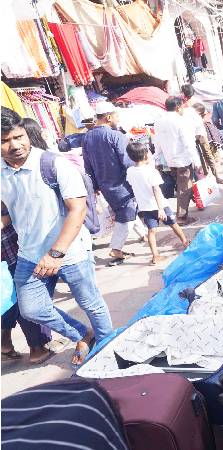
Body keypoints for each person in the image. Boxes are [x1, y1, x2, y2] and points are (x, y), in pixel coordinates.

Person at [1, 107, 113, 365]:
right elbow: (7, 210)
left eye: (18, 136)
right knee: (31, 308)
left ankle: (108, 348)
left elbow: (78, 209)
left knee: (91, 303)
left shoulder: (52, 164)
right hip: (29, 253)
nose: (15, 145)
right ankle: (84, 335)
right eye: (5, 141)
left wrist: (55, 254)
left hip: (70, 251)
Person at [82, 102, 146, 266]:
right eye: (116, 116)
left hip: (104, 185)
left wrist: (95, 186)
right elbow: (127, 161)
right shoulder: (115, 135)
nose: (118, 119)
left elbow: (87, 165)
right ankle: (116, 248)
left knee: (127, 209)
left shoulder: (88, 137)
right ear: (109, 117)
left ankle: (144, 234)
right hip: (121, 183)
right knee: (127, 212)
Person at [125, 142, 190, 265]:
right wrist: (160, 209)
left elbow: (132, 184)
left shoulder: (130, 171)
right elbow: (156, 190)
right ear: (145, 155)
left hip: (144, 207)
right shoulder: (151, 172)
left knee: (151, 231)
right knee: (173, 224)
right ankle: (185, 242)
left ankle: (155, 256)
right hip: (160, 205)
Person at [1, 223, 52, 364]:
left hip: (8, 252)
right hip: (13, 250)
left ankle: (4, 343)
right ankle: (37, 348)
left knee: (9, 298)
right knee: (25, 295)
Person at [153, 96, 201, 225]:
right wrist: (197, 162)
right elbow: (188, 143)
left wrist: (157, 159)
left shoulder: (159, 121)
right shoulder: (180, 121)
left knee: (182, 186)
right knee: (184, 188)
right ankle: (182, 217)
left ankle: (195, 204)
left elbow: (156, 142)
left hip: (168, 160)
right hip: (182, 160)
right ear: (178, 107)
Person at [191, 103, 223, 183]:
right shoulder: (191, 113)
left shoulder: (196, 117)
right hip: (194, 136)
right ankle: (207, 176)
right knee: (203, 156)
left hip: (200, 136)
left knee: (207, 155)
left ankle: (215, 177)